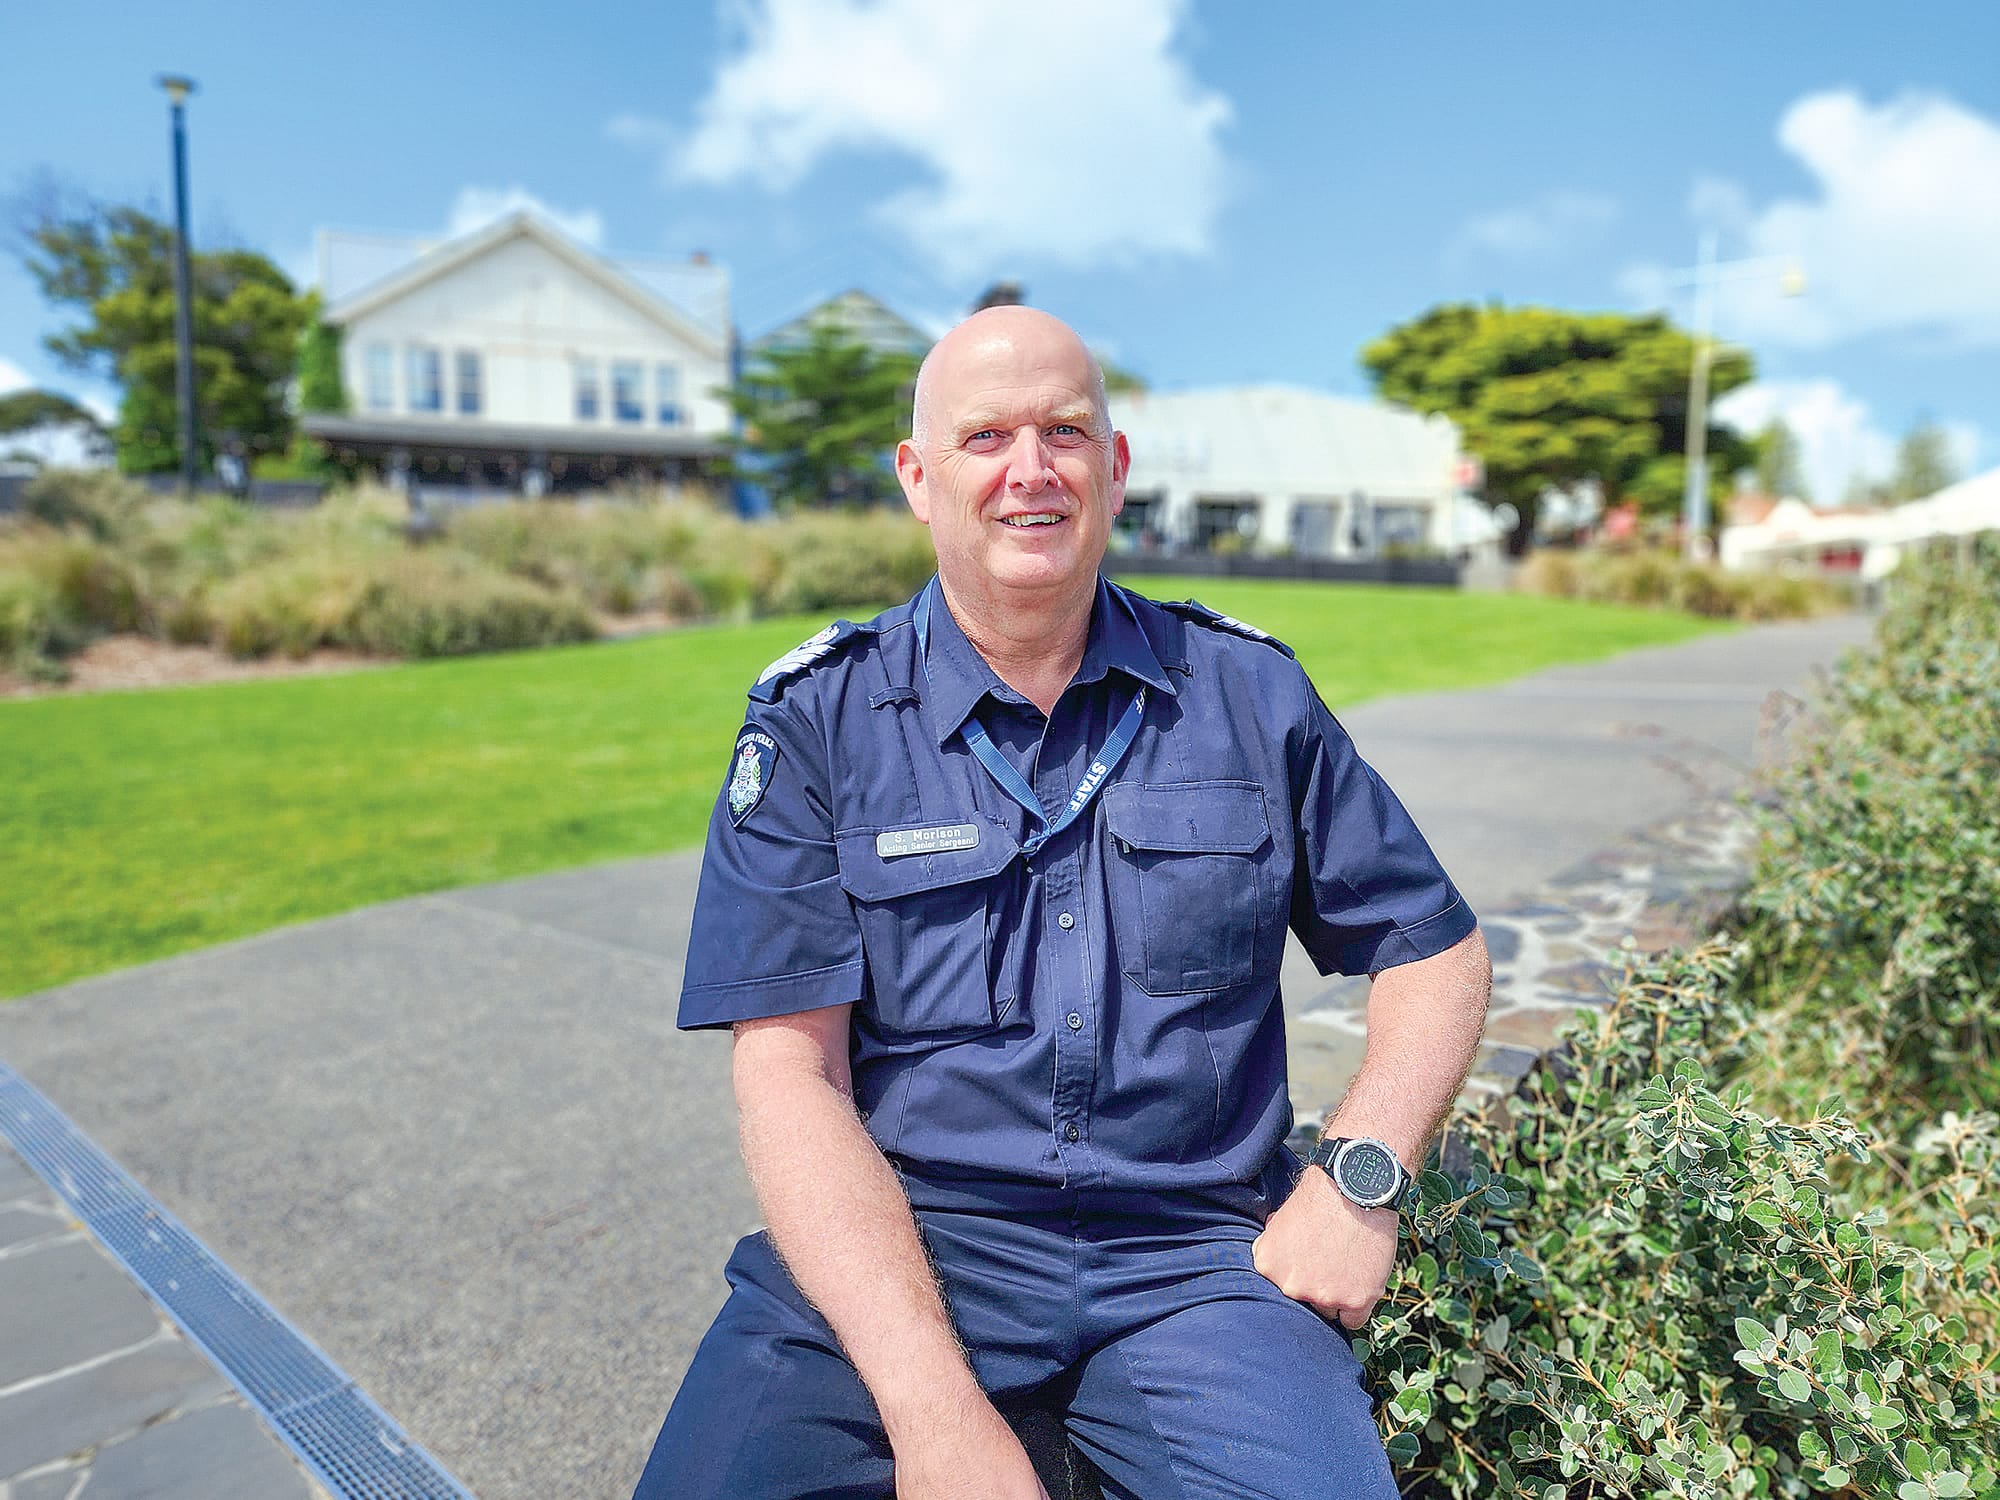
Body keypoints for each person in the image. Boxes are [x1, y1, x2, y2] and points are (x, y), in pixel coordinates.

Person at [632, 306, 1491, 1500]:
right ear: (917, 478)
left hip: (1191, 1258)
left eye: (1064, 431)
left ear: (1114, 467)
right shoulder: (816, 721)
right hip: (912, 1237)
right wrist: (934, 1412)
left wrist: (1360, 1179)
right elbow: (790, 1077)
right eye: (984, 435)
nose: (1027, 469)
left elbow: (1432, 952)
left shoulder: (1245, 693)